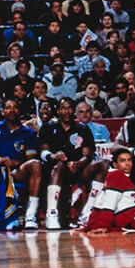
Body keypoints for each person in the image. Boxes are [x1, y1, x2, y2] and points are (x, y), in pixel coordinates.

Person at [0, 98, 42, 231]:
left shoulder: (28, 133)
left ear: (20, 111)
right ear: (3, 112)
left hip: (17, 171)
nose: (12, 110)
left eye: (15, 107)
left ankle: (30, 216)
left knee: (36, 164)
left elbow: (31, 158)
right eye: (8, 107)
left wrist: (13, 162)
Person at [38, 97, 96, 230]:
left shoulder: (83, 129)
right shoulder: (48, 127)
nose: (67, 111)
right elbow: (42, 151)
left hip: (77, 168)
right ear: (58, 111)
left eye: (70, 108)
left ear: (74, 111)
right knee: (59, 164)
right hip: (53, 168)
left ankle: (87, 211)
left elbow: (87, 155)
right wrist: (52, 156)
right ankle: (51, 214)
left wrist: (78, 163)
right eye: (63, 108)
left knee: (102, 165)